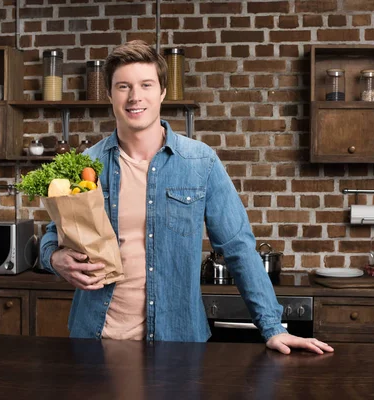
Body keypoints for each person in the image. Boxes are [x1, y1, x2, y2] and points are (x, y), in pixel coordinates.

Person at [39, 40, 333, 355]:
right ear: (109, 94)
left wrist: (272, 328)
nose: (135, 96)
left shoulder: (200, 162)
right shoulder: (86, 164)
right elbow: (53, 235)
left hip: (177, 343)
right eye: (123, 86)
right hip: (94, 341)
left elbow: (238, 248)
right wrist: (55, 259)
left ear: (162, 91)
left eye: (146, 85)